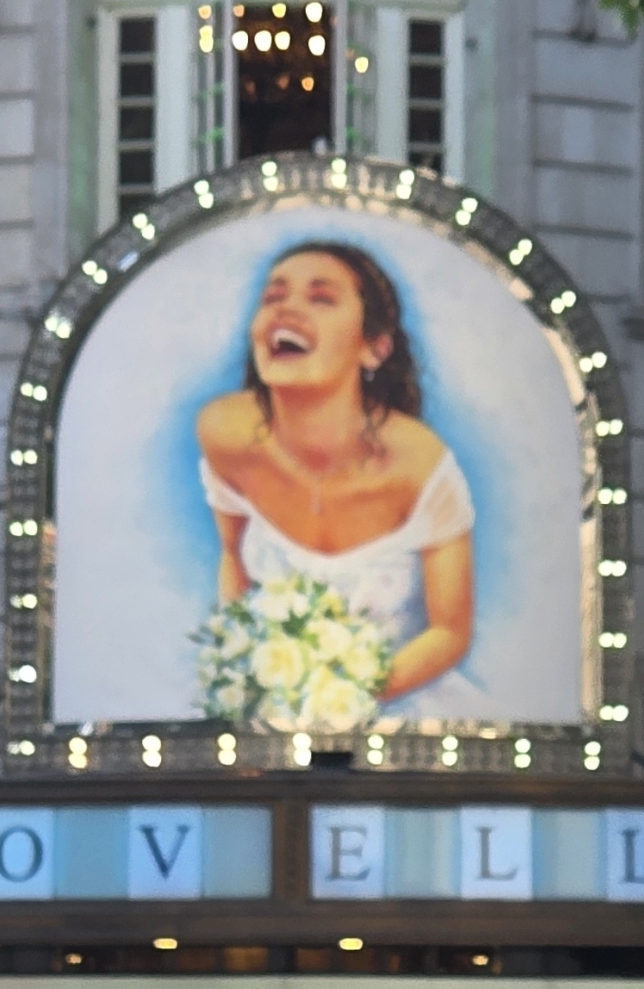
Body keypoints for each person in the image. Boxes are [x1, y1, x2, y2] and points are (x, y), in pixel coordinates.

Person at [196, 240, 481, 715]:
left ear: (374, 349)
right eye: (273, 297)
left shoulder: (420, 465)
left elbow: (449, 633)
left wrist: (338, 698)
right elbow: (232, 559)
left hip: (407, 712)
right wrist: (249, 670)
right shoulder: (224, 433)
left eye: (321, 299)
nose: (286, 310)